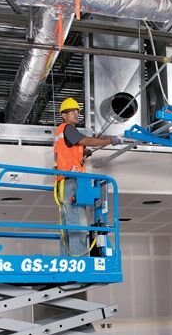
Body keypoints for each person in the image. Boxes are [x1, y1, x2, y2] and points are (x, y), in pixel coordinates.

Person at [53, 97, 123, 256]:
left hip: (63, 181)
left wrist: (83, 153)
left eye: (77, 111)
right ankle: (79, 260)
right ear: (63, 115)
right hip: (71, 181)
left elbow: (69, 152)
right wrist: (111, 140)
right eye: (71, 111)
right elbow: (88, 140)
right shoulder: (68, 128)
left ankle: (68, 259)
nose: (75, 113)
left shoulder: (63, 132)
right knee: (78, 222)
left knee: (67, 223)